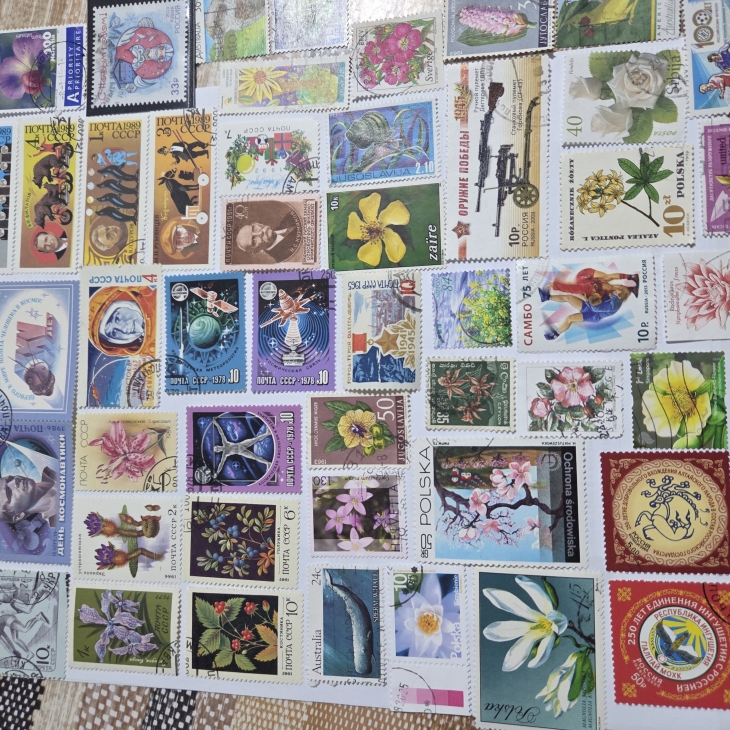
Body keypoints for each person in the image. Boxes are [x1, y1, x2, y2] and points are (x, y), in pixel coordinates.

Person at [113, 19, 174, 93]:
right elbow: (122, 51)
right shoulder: (137, 41)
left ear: (159, 60)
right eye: (160, 49)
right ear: (158, 46)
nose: (155, 53)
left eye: (160, 56)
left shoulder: (140, 69)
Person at [235, 215, 299, 265]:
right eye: (254, 240)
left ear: (257, 223)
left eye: (254, 228)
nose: (260, 233)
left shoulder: (288, 218)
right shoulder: (286, 258)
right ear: (257, 251)